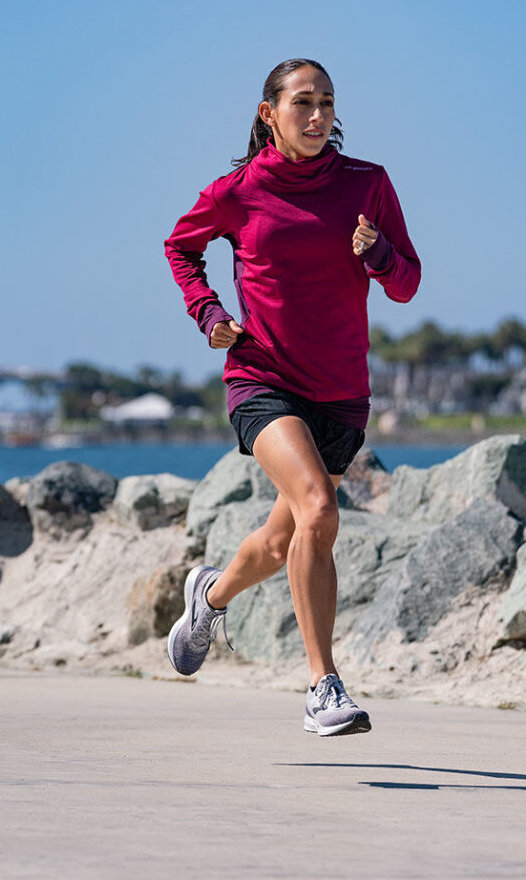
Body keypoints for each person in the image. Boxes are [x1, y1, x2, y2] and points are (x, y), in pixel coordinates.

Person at [163, 58, 421, 736]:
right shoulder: (238, 191)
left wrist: (378, 254)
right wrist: (209, 312)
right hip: (263, 377)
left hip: (341, 392)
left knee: (284, 541)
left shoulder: (367, 184)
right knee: (319, 507)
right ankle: (322, 687)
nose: (317, 115)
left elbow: (407, 283)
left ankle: (210, 596)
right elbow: (181, 248)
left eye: (327, 102)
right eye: (303, 102)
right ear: (268, 113)